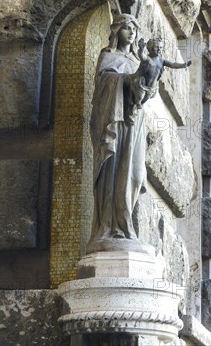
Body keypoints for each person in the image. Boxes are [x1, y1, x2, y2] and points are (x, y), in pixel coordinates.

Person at [87, 14, 147, 252]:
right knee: (113, 172)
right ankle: (109, 227)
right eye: (126, 28)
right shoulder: (107, 56)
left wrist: (144, 84)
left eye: (134, 28)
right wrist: (126, 80)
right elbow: (103, 84)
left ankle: (126, 224)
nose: (130, 33)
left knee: (135, 174)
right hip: (114, 122)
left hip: (135, 122)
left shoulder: (136, 59)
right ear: (116, 31)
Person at [129, 38, 191, 116]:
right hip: (142, 85)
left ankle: (136, 107)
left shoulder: (161, 61)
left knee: (145, 99)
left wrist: (184, 65)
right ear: (150, 48)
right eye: (156, 47)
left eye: (161, 48)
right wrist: (141, 49)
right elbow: (142, 56)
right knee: (139, 99)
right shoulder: (147, 59)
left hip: (152, 88)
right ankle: (134, 105)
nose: (159, 50)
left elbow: (173, 64)